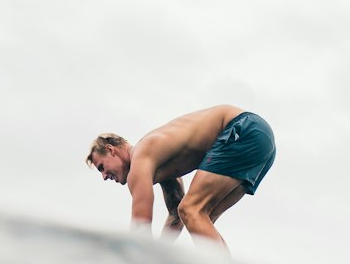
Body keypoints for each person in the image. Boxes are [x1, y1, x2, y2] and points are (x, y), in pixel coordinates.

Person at [85, 105, 276, 248]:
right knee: (201, 216)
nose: (104, 176)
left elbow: (140, 229)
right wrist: (162, 255)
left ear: (111, 150)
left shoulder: (140, 160)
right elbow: (176, 213)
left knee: (192, 209)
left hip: (242, 129)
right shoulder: (155, 161)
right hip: (260, 138)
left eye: (101, 167)